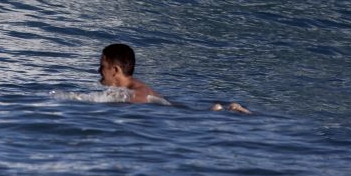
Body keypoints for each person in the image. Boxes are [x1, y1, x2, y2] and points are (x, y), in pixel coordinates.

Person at [97, 43, 252, 113]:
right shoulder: (133, 88)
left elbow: (139, 109)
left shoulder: (137, 94)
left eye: (102, 66)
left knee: (214, 112)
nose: (99, 71)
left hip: (195, 116)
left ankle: (219, 112)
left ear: (115, 70)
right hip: (181, 109)